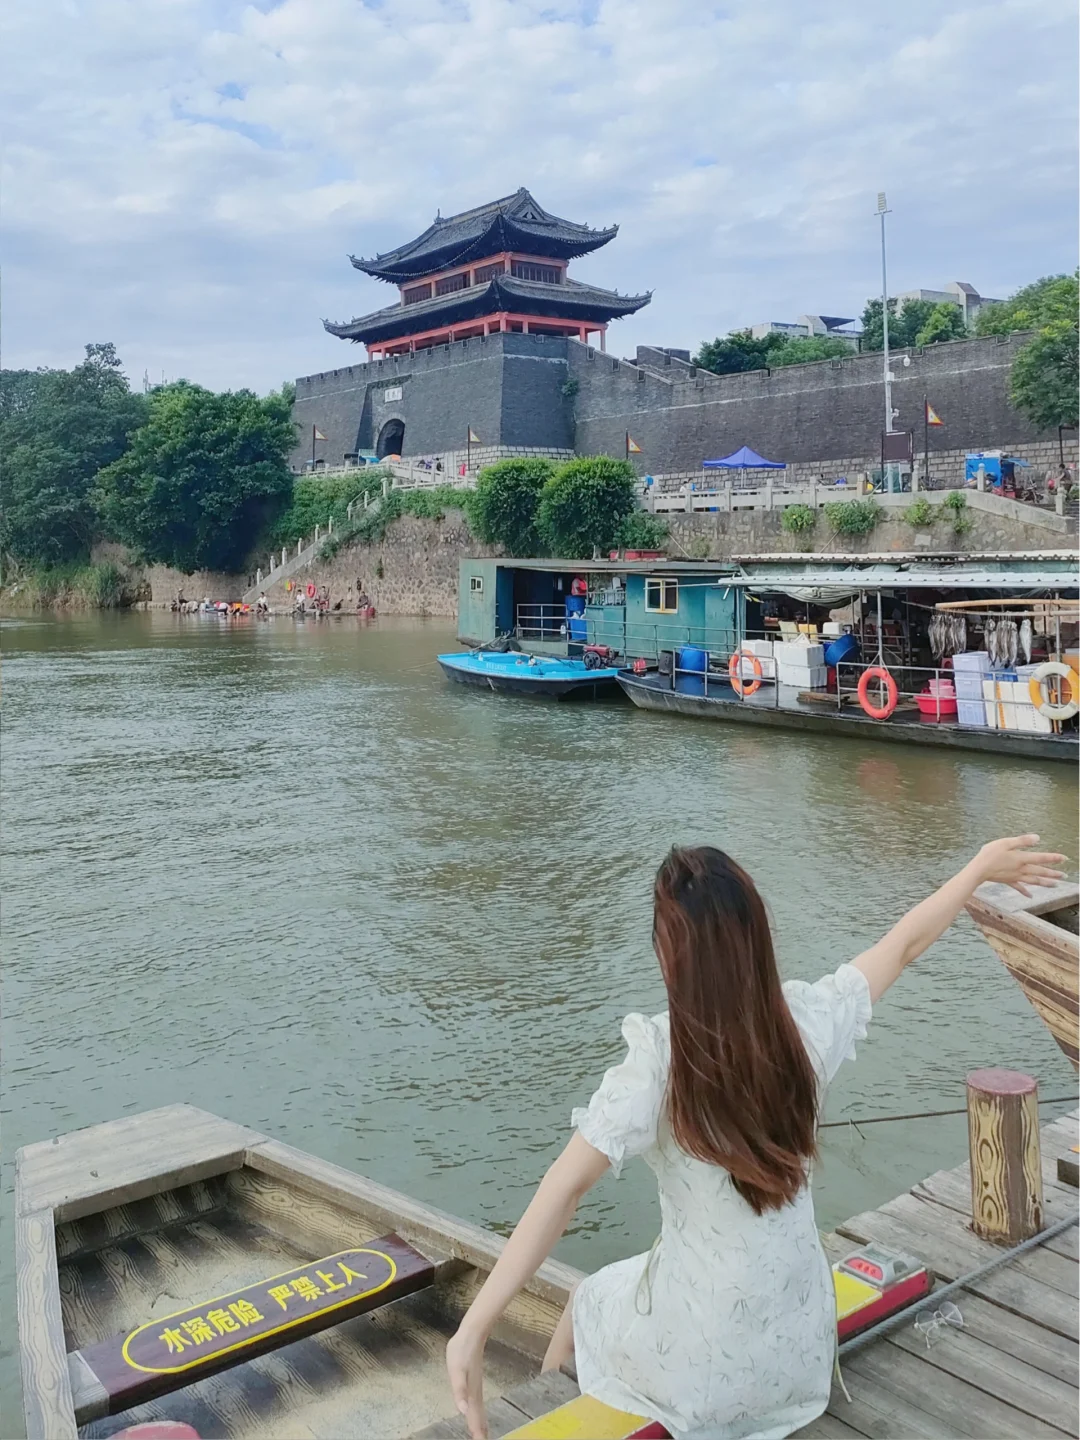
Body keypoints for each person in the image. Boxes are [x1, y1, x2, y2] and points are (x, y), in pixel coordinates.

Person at [445, 835, 1064, 1440]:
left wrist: (473, 1330)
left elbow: (564, 1191)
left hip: (703, 1383)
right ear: (757, 940)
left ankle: (550, 1411)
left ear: (669, 955)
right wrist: (977, 868)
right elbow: (902, 945)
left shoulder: (660, 1061)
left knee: (587, 1298)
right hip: (800, 1367)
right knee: (639, 1280)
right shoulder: (802, 1025)